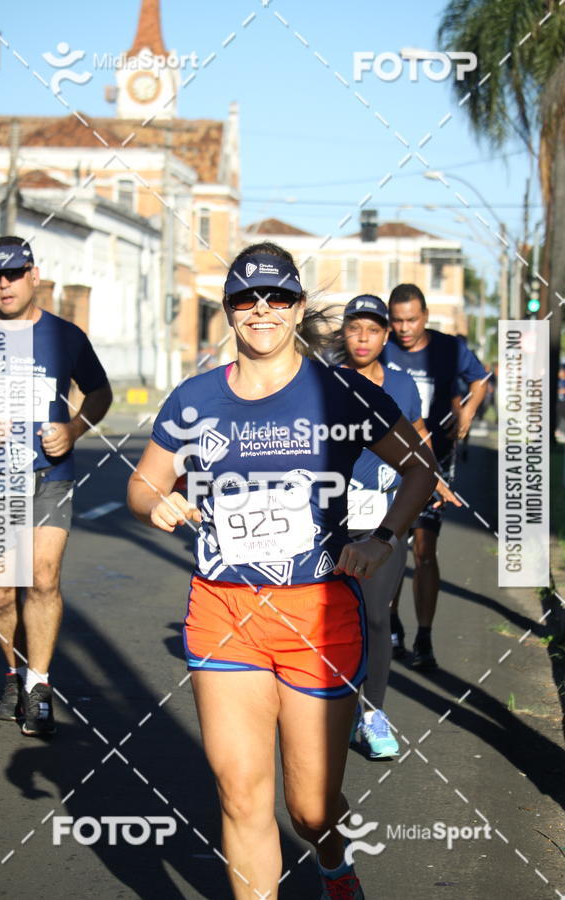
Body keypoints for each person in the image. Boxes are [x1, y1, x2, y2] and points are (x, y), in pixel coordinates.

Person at [128, 242, 436, 900]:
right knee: (241, 800)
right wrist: (162, 500)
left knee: (311, 810)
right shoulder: (194, 399)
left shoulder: (343, 392)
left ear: (297, 307)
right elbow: (142, 486)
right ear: (228, 310)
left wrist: (384, 538)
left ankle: (332, 861)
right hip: (223, 612)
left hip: (317, 615)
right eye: (246, 298)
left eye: (276, 298)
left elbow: (419, 469)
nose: (261, 309)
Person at [0, 235, 112, 736]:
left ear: (33, 275)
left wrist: (73, 429)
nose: (3, 285)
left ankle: (39, 684)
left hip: (51, 475)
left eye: (12, 274)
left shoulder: (65, 336)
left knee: (43, 578)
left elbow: (99, 390)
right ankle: (12, 672)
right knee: (3, 595)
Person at [339, 295, 458, 759]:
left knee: (374, 617)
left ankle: (372, 714)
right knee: (328, 620)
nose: (363, 337)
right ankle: (330, 709)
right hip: (329, 519)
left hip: (382, 520)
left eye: (373, 329)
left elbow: (419, 432)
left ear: (387, 335)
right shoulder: (325, 382)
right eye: (354, 328)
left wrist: (433, 476)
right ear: (344, 333)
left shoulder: (404, 385)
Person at [382, 284, 486, 669]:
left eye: (411, 320)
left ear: (425, 316)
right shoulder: (381, 346)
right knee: (392, 547)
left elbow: (479, 380)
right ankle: (391, 627)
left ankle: (424, 637)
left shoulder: (449, 348)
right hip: (388, 462)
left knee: (425, 550)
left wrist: (470, 410)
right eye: (397, 320)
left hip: (435, 459)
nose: (404, 328)